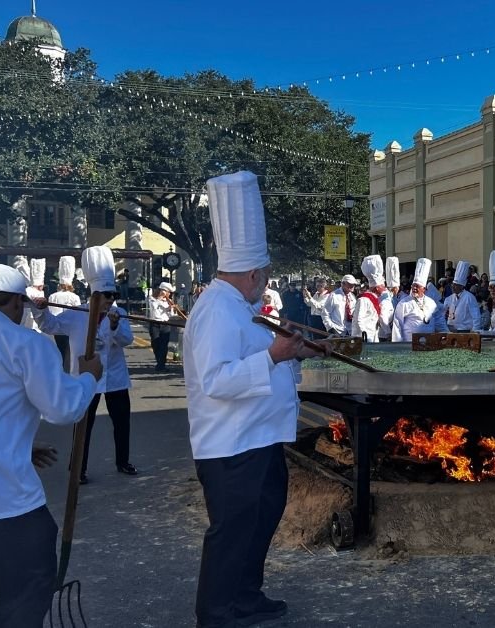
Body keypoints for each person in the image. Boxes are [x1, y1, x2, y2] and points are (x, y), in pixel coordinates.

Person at [184, 172, 332, 628]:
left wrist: (294, 350)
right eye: (263, 274)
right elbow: (216, 380)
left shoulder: (240, 308)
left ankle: (246, 596)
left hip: (257, 440)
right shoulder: (215, 309)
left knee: (258, 524)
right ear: (251, 273)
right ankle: (216, 612)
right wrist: (274, 353)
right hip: (231, 447)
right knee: (231, 533)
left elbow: (259, 355)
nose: (264, 280)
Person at [0, 263, 103, 628]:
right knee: (20, 604)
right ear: (17, 303)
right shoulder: (25, 344)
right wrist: (88, 378)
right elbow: (63, 408)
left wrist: (18, 445)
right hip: (8, 508)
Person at [34, 247, 137, 484]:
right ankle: (78, 467)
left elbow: (126, 340)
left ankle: (123, 461)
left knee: (122, 422)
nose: (110, 300)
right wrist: (41, 312)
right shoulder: (77, 314)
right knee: (83, 425)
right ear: (94, 295)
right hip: (86, 376)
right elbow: (50, 326)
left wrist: (114, 326)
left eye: (112, 295)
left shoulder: (118, 313)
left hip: (115, 379)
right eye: (105, 295)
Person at [392, 258, 438, 342]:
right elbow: (397, 325)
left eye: (417, 286)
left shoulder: (431, 303)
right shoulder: (404, 303)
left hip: (429, 343)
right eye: (413, 285)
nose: (414, 288)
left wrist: (446, 334)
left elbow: (439, 320)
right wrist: (397, 345)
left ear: (424, 289)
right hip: (409, 344)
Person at [353, 255, 394, 342]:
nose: (385, 288)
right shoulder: (364, 300)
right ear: (377, 288)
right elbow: (359, 320)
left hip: (373, 336)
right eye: (383, 286)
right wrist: (363, 336)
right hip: (364, 338)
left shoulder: (376, 299)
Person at [147, 281, 177, 372]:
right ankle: (160, 363)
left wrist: (171, 308)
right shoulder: (152, 299)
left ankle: (161, 365)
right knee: (155, 344)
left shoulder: (168, 301)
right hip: (155, 323)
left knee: (164, 345)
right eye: (168, 292)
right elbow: (154, 307)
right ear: (163, 291)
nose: (169, 294)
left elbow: (170, 314)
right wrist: (160, 298)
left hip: (165, 323)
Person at [446, 260, 481, 332]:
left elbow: (476, 316)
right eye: (453, 284)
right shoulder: (450, 298)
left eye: (456, 285)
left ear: (461, 286)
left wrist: (474, 331)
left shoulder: (469, 297)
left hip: (465, 330)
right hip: (451, 330)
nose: (453, 287)